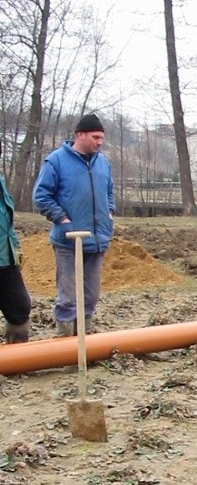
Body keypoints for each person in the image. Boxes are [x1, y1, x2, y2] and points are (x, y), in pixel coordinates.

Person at [32, 113, 115, 336]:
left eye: (101, 138)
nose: (100, 142)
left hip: (96, 240)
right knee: (68, 297)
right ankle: (65, 342)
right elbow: (41, 195)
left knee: (91, 296)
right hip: (69, 241)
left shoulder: (103, 162)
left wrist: (109, 213)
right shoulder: (57, 161)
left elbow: (109, 191)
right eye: (95, 137)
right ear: (80, 134)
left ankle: (84, 342)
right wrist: (62, 219)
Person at [0, 142, 31, 343]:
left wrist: (15, 248)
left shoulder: (1, 183)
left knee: (19, 305)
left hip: (5, 257)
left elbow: (6, 222)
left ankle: (16, 357)